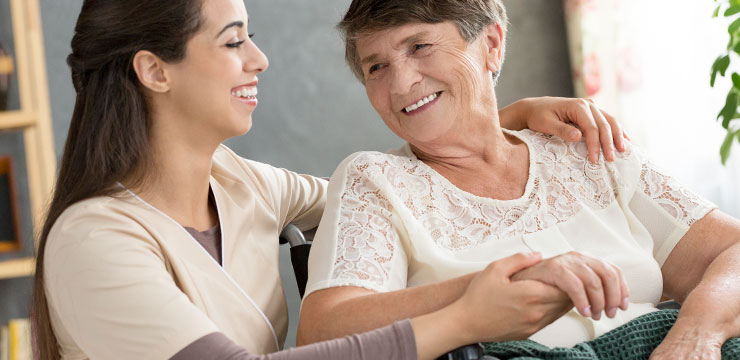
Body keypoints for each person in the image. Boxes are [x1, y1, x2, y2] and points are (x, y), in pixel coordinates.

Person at [31, 0, 627, 359]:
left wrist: (498, 121)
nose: (258, 60)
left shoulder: (242, 186)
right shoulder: (94, 241)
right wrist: (465, 319)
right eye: (234, 41)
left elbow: (385, 192)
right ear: (154, 71)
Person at [297, 0, 740, 358]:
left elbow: (732, 251)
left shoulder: (582, 146)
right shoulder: (375, 180)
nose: (399, 84)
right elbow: (323, 334)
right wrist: (492, 286)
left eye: (418, 47)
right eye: (376, 67)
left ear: (491, 43)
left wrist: (698, 332)